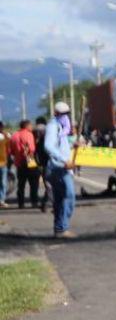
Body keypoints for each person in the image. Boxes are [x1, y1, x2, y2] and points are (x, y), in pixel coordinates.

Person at [43, 102, 76, 237]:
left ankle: (59, 229)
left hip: (62, 167)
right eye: (63, 114)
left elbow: (61, 144)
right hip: (58, 167)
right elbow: (48, 146)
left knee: (60, 198)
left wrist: (74, 143)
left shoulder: (62, 127)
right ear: (56, 114)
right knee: (69, 196)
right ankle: (62, 227)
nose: (65, 116)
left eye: (67, 113)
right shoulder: (53, 126)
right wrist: (64, 160)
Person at [10, 119, 38, 209]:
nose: (31, 127)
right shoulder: (29, 134)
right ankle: (34, 201)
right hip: (29, 159)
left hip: (19, 162)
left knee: (21, 184)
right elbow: (31, 148)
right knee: (33, 183)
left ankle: (21, 203)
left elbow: (11, 151)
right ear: (26, 126)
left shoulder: (14, 135)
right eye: (30, 125)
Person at [0, 121, 9, 208]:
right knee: (3, 182)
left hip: (3, 163)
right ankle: (1, 200)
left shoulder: (5, 136)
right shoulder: (5, 137)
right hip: (3, 163)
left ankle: (1, 200)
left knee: (3, 182)